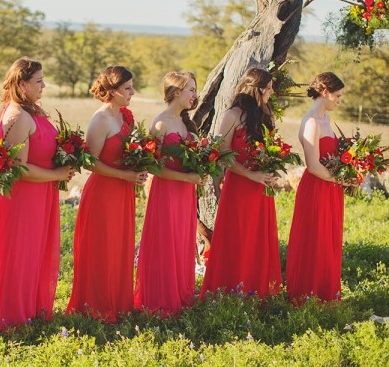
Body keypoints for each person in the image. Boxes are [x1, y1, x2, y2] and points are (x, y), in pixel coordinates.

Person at [0, 57, 74, 329]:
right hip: (21, 198)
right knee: (20, 255)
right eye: (39, 81)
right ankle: (13, 314)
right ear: (22, 84)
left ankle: (32, 307)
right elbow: (17, 168)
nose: (44, 85)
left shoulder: (33, 110)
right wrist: (57, 174)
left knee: (35, 253)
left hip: (40, 194)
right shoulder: (17, 116)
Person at [66, 66, 148, 322]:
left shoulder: (125, 115)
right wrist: (126, 175)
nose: (132, 92)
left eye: (132, 87)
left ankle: (119, 302)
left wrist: (139, 165)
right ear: (112, 91)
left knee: (119, 248)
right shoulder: (100, 119)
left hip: (123, 192)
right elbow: (90, 162)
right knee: (102, 249)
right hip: (102, 193)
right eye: (127, 88)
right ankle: (96, 306)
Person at [200, 67, 282, 298]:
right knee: (238, 238)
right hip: (239, 186)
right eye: (268, 87)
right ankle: (231, 290)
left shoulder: (267, 113)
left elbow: (270, 148)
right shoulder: (232, 115)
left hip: (261, 187)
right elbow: (223, 154)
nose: (271, 91)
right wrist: (250, 174)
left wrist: (270, 170)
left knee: (258, 239)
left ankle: (258, 290)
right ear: (256, 89)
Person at [134, 72, 203, 316]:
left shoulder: (186, 123)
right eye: (191, 90)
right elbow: (153, 166)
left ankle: (181, 293)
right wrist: (186, 177)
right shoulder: (161, 123)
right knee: (166, 241)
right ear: (176, 92)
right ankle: (160, 298)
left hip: (185, 191)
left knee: (182, 239)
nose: (195, 95)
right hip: (166, 191)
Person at [285, 72, 346, 303]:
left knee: (329, 239)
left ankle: (326, 292)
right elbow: (312, 165)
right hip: (317, 188)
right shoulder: (311, 121)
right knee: (315, 239)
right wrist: (339, 178)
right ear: (325, 92)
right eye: (337, 95)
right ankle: (308, 293)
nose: (339, 100)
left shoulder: (326, 120)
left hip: (331, 187)